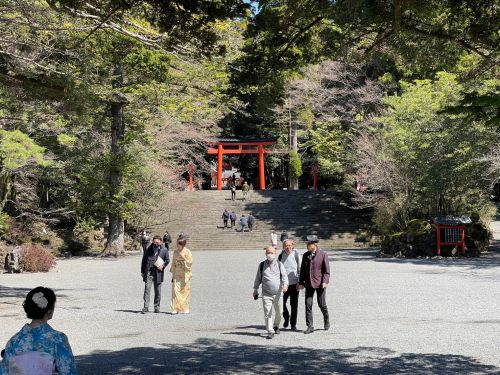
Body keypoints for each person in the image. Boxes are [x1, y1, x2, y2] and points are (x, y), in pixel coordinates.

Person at [0, 287, 77, 375]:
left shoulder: (14, 341)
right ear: (49, 311)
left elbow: (4, 371)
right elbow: (68, 371)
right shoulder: (57, 339)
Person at [253, 246, 289, 339]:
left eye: (271, 253)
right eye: (268, 252)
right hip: (266, 294)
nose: (269, 254)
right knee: (267, 312)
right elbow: (258, 278)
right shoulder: (261, 265)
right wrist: (255, 290)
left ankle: (276, 325)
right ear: (265, 254)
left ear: (275, 254)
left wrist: (285, 285)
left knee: (279, 313)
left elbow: (285, 277)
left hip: (278, 293)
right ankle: (270, 330)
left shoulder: (280, 264)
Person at [298, 235, 330, 334]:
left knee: (322, 304)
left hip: (320, 284)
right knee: (308, 305)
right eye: (307, 243)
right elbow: (302, 270)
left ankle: (326, 319)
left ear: (314, 244)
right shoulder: (305, 255)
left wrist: (325, 281)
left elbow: (326, 271)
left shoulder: (323, 254)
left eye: (309, 243)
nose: (307, 245)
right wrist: (301, 282)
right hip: (308, 284)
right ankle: (310, 326)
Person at [141, 235, 170, 313]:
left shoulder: (164, 250)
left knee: (158, 291)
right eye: (154, 242)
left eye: (157, 242)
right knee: (147, 289)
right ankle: (146, 307)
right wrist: (142, 271)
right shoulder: (148, 249)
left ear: (160, 242)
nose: (155, 243)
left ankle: (156, 307)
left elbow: (167, 260)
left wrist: (162, 266)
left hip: (158, 272)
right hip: (149, 271)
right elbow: (144, 260)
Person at [279, 240, 301, 331]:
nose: (288, 247)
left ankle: (293, 324)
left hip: (295, 284)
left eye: (289, 245)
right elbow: (278, 269)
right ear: (283, 247)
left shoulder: (297, 256)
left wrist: (299, 282)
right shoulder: (280, 256)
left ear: (292, 245)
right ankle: (286, 317)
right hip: (284, 285)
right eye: (286, 246)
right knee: (281, 303)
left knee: (294, 305)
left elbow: (300, 269)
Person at [171, 235, 193, 314]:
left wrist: (184, 260)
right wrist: (173, 275)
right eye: (177, 244)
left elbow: (190, 263)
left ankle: (185, 308)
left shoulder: (187, 252)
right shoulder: (175, 252)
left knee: (185, 291)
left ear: (183, 245)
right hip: (177, 273)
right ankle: (175, 308)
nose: (177, 245)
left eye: (179, 244)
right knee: (175, 291)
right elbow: (173, 263)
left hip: (185, 274)